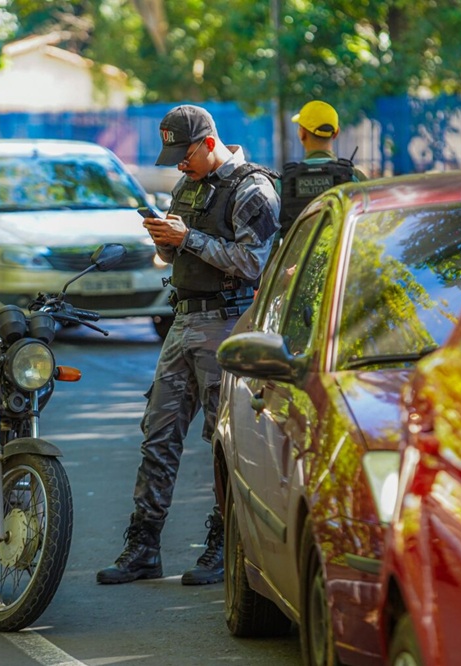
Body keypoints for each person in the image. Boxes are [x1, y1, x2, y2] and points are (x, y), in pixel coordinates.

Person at [96, 105, 279, 586]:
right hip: (184, 320)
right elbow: (175, 250)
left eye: (185, 154)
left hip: (227, 324)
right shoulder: (189, 184)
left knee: (225, 442)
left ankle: (224, 546)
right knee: (158, 435)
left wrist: (189, 238)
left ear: (209, 143)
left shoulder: (253, 189)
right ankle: (143, 547)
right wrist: (166, 239)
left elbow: (253, 263)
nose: (179, 163)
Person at [278, 100, 365, 235]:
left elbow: (272, 239)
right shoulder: (354, 177)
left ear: (302, 133)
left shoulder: (282, 183)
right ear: (336, 133)